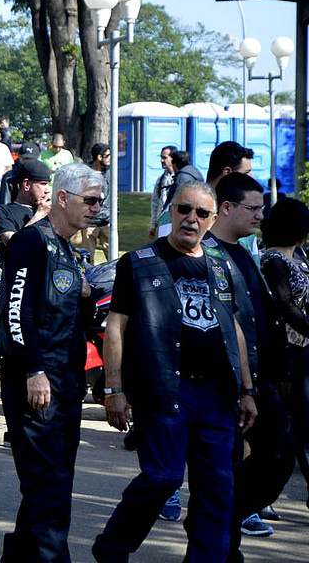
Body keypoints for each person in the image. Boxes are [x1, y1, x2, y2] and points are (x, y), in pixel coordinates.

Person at [92, 182, 257, 563]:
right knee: (162, 478)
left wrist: (248, 389)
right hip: (166, 390)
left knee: (218, 488)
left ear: (213, 219)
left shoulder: (221, 264)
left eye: (202, 213)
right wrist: (114, 388)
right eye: (184, 209)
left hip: (217, 395)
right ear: (171, 211)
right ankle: (113, 548)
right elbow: (116, 325)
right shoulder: (139, 261)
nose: (191, 219)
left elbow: (234, 329)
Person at [0, 162, 102, 562]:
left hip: (67, 379)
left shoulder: (70, 249)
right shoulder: (30, 242)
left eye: (99, 202)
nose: (95, 209)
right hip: (35, 376)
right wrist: (34, 370)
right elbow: (16, 313)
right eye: (89, 200)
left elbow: (68, 317)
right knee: (48, 484)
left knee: (53, 481)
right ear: (61, 197)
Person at [208, 173, 294, 550]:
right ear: (227, 208)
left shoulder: (244, 252)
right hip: (228, 383)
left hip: (260, 379)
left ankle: (224, 520)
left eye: (262, 208)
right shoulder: (206, 255)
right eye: (253, 208)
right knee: (224, 471)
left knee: (279, 454)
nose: (261, 216)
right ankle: (218, 541)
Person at [260, 198, 309, 519]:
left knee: (302, 427)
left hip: (303, 349)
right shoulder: (273, 260)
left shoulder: (300, 257)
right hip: (283, 354)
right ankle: (260, 496)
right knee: (289, 428)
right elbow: (286, 305)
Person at [0, 159, 52, 261]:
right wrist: (39, 215)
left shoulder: (48, 212)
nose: (48, 190)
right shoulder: (3, 212)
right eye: (43, 184)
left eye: (48, 184)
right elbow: (15, 245)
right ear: (26, 184)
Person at [78, 142, 111, 259]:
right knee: (87, 258)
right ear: (99, 157)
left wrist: (114, 214)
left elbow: (114, 194)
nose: (110, 158)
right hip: (89, 222)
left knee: (112, 257)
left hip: (106, 221)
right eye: (107, 156)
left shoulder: (110, 172)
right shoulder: (85, 172)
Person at [148, 145, 177, 240]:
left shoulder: (180, 179)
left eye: (164, 157)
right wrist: (153, 226)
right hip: (162, 222)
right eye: (161, 157)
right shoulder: (161, 180)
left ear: (173, 159)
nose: (161, 160)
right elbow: (155, 203)